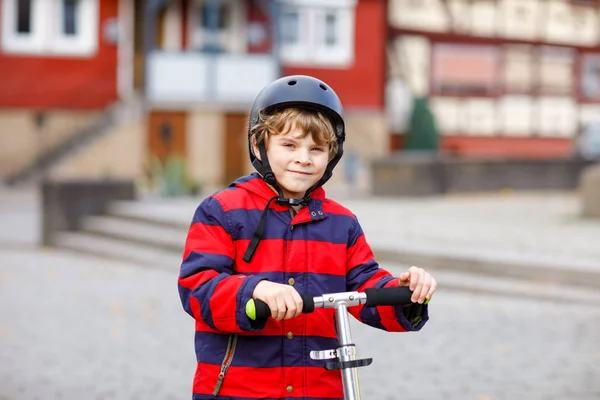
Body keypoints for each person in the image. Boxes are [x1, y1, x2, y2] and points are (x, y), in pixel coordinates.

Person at [177, 75, 437, 400]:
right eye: (289, 145)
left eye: (317, 148)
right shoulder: (223, 211)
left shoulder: (341, 223)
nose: (304, 158)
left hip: (318, 390)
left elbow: (364, 284)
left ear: (332, 155)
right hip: (240, 390)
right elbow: (198, 288)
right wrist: (254, 289)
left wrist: (404, 294)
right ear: (260, 145)